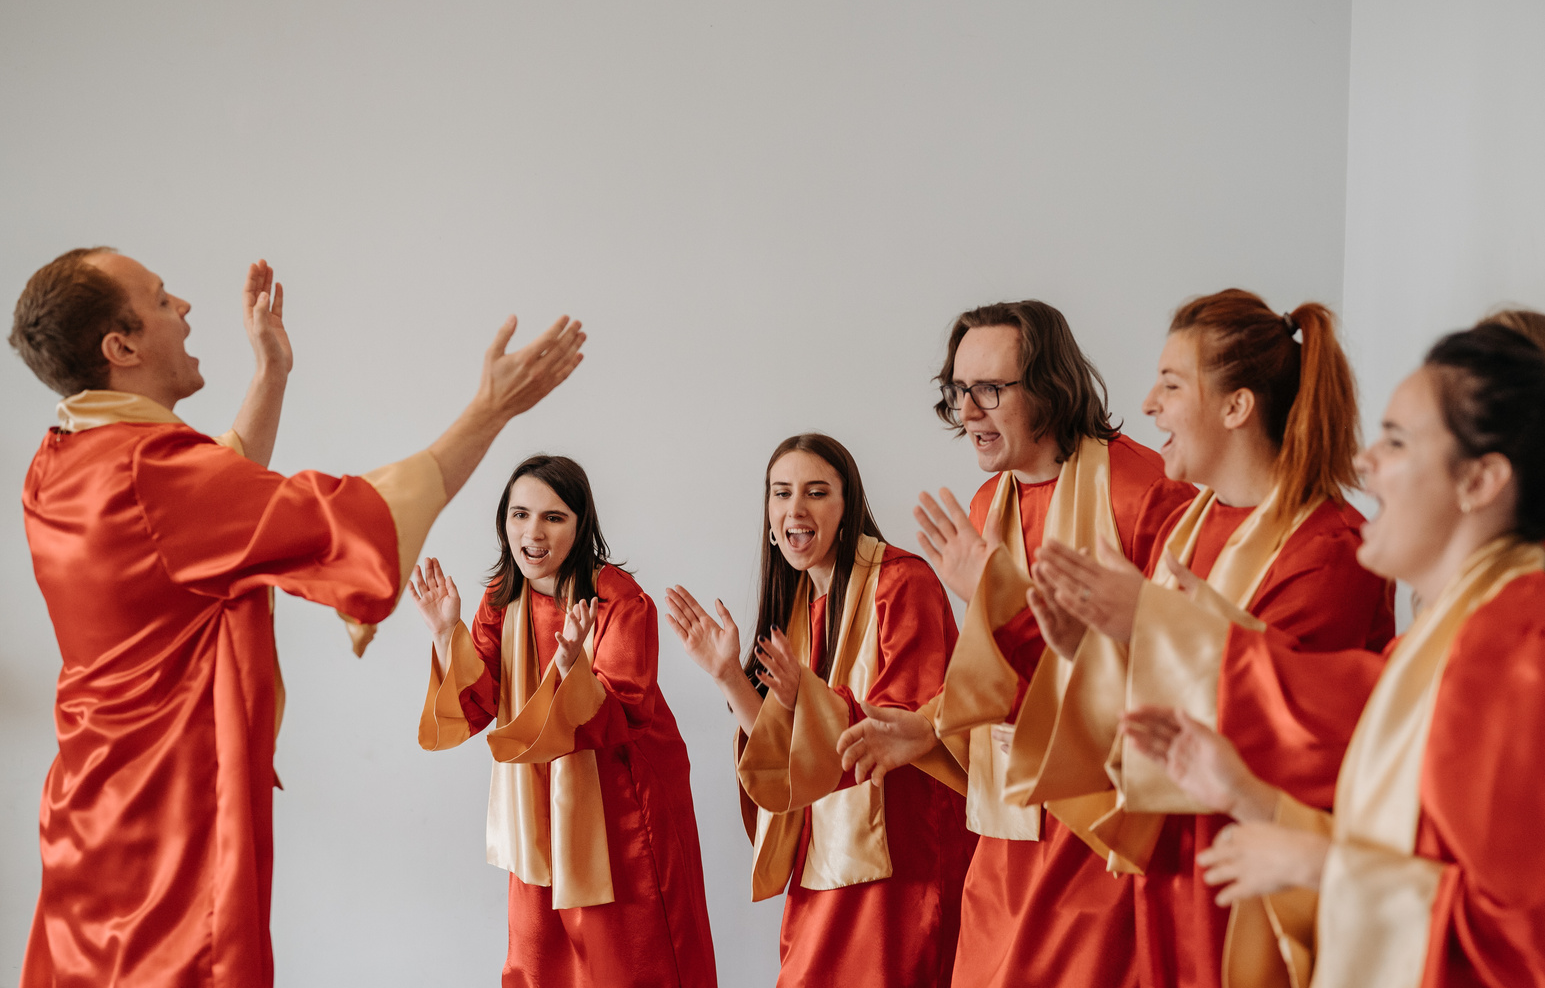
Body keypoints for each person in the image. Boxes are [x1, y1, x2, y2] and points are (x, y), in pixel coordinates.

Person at [10, 246, 584, 988]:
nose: (183, 307)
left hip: (92, 810)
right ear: (120, 348)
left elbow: (217, 499)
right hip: (165, 820)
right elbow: (349, 520)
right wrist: (492, 409)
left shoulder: (63, 457)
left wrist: (270, 375)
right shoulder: (147, 476)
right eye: (158, 301)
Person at [1131, 323, 1545, 988]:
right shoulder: (1460, 630)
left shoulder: (1517, 642)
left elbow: (1521, 939)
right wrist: (1249, 798)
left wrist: (1317, 868)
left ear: (1481, 479)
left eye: (1397, 441)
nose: (1361, 462)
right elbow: (1418, 858)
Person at [1028, 290, 1394, 988]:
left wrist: (1143, 627)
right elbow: (1159, 698)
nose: (1148, 403)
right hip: (1171, 867)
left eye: (1170, 384)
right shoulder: (1186, 526)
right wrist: (1089, 650)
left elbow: (1294, 723)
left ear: (1236, 407)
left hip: (1257, 878)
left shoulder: (1328, 546)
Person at [837, 301, 1196, 988]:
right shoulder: (984, 507)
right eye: (956, 390)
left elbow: (1178, 669)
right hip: (1004, 832)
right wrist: (929, 726)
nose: (967, 411)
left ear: (1051, 388)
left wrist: (1000, 603)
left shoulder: (1147, 494)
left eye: (989, 390)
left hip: (1099, 829)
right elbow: (997, 670)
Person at [666, 433, 973, 988]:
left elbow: (903, 726)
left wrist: (804, 698)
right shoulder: (800, 607)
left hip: (901, 858)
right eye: (781, 493)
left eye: (816, 492)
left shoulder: (903, 583)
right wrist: (730, 675)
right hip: (825, 856)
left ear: (847, 505)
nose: (795, 510)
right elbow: (784, 753)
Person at [410, 454, 716, 988]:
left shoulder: (616, 598)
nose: (533, 532)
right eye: (520, 514)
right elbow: (478, 705)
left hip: (621, 803)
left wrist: (573, 668)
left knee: (628, 957)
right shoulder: (502, 599)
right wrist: (445, 633)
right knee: (540, 957)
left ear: (581, 524)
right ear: (504, 522)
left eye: (553, 517)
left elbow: (626, 710)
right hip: (537, 805)